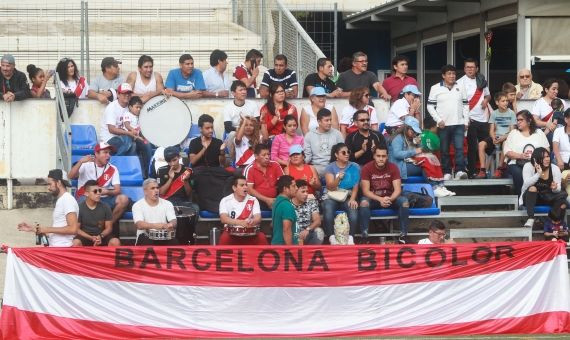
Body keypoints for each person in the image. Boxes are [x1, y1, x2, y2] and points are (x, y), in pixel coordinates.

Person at [68, 142, 130, 237]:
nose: (108, 155)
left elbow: (118, 190)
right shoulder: (86, 164)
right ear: (96, 154)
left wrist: (107, 191)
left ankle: (106, 226)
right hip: (86, 197)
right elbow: (70, 176)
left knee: (124, 199)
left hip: (104, 198)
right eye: (105, 152)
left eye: (109, 153)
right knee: (89, 198)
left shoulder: (113, 169)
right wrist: (80, 162)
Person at [390, 116, 454, 198]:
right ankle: (434, 187)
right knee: (425, 163)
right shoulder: (398, 138)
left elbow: (421, 150)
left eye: (415, 132)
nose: (414, 133)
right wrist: (414, 151)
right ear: (406, 128)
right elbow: (397, 154)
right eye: (412, 131)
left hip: (409, 162)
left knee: (432, 158)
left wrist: (418, 144)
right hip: (400, 167)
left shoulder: (411, 138)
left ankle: (440, 185)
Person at [427, 64, 469, 180]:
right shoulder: (435, 88)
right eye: (449, 74)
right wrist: (438, 120)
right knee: (444, 149)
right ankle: (447, 172)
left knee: (459, 148)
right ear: (443, 76)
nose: (452, 76)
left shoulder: (461, 87)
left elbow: (466, 105)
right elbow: (430, 106)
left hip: (459, 123)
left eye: (454, 74)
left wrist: (466, 121)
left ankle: (460, 171)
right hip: (443, 124)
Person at [17, 169, 78, 247]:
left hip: (62, 249)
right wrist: (32, 229)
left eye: (50, 184)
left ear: (58, 183)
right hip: (56, 247)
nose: (48, 188)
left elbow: (73, 229)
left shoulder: (67, 199)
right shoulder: (63, 199)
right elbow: (59, 229)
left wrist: (47, 229)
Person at [359, 146, 408, 242]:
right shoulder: (366, 168)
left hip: (390, 198)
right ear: (374, 156)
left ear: (387, 157)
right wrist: (380, 199)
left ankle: (403, 235)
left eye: (383, 156)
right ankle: (364, 236)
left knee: (404, 202)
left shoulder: (393, 167)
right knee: (364, 202)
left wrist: (389, 199)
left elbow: (397, 190)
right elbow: (366, 191)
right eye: (378, 156)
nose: (381, 158)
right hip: (374, 199)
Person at [154, 146, 199, 245]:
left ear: (179, 157)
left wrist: (186, 180)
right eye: (169, 161)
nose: (172, 164)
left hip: (183, 201)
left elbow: (188, 193)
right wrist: (170, 178)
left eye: (174, 160)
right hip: (167, 201)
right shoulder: (161, 171)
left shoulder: (187, 171)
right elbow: (161, 192)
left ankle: (189, 237)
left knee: (195, 208)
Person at [457, 58, 492, 178]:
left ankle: (485, 170)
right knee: (472, 147)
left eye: (472, 67)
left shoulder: (481, 80)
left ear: (476, 69)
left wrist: (486, 101)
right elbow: (457, 103)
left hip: (483, 119)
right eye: (467, 67)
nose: (470, 69)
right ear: (464, 69)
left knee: (488, 146)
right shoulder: (460, 82)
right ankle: (472, 172)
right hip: (470, 119)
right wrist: (464, 117)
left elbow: (488, 95)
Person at [504, 110, 550, 196]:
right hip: (516, 163)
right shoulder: (513, 133)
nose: (518, 122)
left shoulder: (539, 133)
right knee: (518, 173)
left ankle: (538, 198)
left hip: (536, 163)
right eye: (517, 120)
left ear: (529, 121)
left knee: (541, 171)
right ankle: (521, 198)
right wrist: (520, 156)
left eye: (521, 120)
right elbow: (506, 151)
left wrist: (537, 157)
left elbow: (546, 149)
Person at [520, 147, 567, 228]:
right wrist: (538, 174)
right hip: (531, 197)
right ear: (536, 159)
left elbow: (558, 189)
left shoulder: (554, 168)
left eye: (547, 156)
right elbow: (526, 185)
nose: (547, 159)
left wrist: (555, 188)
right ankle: (531, 218)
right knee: (532, 188)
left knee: (563, 202)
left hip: (548, 197)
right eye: (543, 157)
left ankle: (556, 224)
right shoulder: (528, 166)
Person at [322, 143, 360, 237]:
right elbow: (330, 187)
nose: (347, 154)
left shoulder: (354, 166)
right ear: (336, 155)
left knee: (353, 210)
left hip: (347, 196)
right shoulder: (330, 167)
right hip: (332, 195)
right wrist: (338, 178)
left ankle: (351, 238)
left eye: (348, 152)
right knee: (328, 208)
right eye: (343, 152)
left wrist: (353, 199)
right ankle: (331, 237)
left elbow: (355, 186)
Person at [218, 175, 267, 245]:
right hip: (231, 233)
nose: (245, 187)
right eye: (242, 185)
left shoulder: (253, 200)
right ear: (234, 188)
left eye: (246, 185)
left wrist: (252, 221)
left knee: (261, 237)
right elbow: (223, 219)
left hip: (250, 232)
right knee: (224, 238)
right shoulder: (225, 200)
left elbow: (258, 217)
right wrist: (240, 223)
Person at [477, 92, 516, 179]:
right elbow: (491, 130)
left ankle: (499, 168)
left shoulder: (511, 113)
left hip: (507, 137)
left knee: (506, 144)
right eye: (503, 101)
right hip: (496, 136)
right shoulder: (494, 113)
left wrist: (503, 137)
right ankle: (482, 170)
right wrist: (493, 137)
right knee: (481, 144)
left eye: (506, 101)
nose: (506, 103)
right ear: (497, 102)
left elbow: (512, 131)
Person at [72, 180, 121, 246]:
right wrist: (91, 238)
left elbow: (109, 228)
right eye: (95, 191)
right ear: (86, 193)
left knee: (115, 242)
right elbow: (77, 229)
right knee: (75, 243)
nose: (98, 193)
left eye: (99, 191)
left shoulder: (105, 206)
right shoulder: (79, 208)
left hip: (101, 236)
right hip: (85, 236)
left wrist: (100, 236)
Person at [133, 178, 178, 245]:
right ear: (145, 191)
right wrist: (158, 226)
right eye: (152, 188)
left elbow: (174, 221)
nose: (156, 190)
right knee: (147, 242)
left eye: (157, 188)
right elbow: (139, 225)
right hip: (145, 238)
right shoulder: (137, 205)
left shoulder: (167, 203)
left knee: (175, 242)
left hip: (163, 237)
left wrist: (171, 224)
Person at [304, 108, 344, 176]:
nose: (329, 123)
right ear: (319, 121)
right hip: (316, 170)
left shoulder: (337, 134)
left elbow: (342, 153)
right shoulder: (309, 135)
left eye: (330, 120)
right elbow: (307, 156)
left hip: (334, 169)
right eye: (326, 120)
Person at [99, 83, 136, 155]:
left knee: (135, 145)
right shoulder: (112, 107)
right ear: (118, 94)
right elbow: (111, 129)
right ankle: (114, 161)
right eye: (124, 93)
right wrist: (129, 133)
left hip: (122, 138)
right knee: (127, 140)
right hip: (108, 139)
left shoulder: (130, 107)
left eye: (129, 93)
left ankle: (128, 165)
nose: (127, 95)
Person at [244, 144, 284, 209]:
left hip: (276, 199)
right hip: (257, 201)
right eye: (264, 155)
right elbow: (249, 189)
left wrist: (277, 199)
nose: (267, 157)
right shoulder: (250, 169)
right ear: (256, 156)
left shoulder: (275, 165)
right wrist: (266, 200)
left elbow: (284, 184)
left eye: (268, 154)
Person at [122, 96, 153, 177]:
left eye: (140, 107)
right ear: (130, 107)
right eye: (137, 107)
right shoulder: (127, 114)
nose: (139, 109)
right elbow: (127, 125)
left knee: (148, 145)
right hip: (130, 137)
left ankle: (148, 170)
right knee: (145, 144)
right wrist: (133, 130)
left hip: (138, 137)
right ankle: (142, 173)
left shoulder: (139, 117)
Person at [292, 179, 324, 245]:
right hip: (292, 234)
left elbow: (317, 220)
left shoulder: (311, 202)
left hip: (307, 233)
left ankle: (311, 253)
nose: (306, 194)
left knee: (319, 232)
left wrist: (307, 229)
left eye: (307, 191)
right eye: (303, 192)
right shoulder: (288, 203)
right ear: (295, 191)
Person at [271, 175, 298, 245]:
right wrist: (290, 251)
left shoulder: (277, 201)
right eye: (293, 186)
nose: (297, 188)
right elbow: (286, 229)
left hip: (276, 245)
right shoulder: (287, 205)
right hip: (284, 249)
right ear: (285, 189)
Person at [553, 109, 570, 174]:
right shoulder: (558, 131)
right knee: (555, 162)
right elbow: (555, 148)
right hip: (561, 158)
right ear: (566, 119)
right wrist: (559, 160)